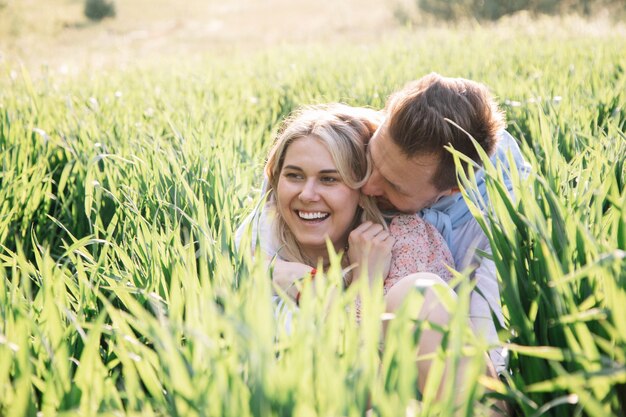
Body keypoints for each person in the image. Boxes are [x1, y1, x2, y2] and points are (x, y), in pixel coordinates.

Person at [269, 73, 531, 377]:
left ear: (450, 191)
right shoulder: (342, 141)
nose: (367, 184)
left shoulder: (499, 224)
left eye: (394, 185)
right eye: (372, 158)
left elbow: (489, 349)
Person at [239, 103, 477, 400]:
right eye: (294, 176)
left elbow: (371, 381)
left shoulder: (405, 242)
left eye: (329, 179)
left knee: (419, 292)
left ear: (362, 190)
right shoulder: (261, 245)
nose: (308, 195)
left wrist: (358, 283)